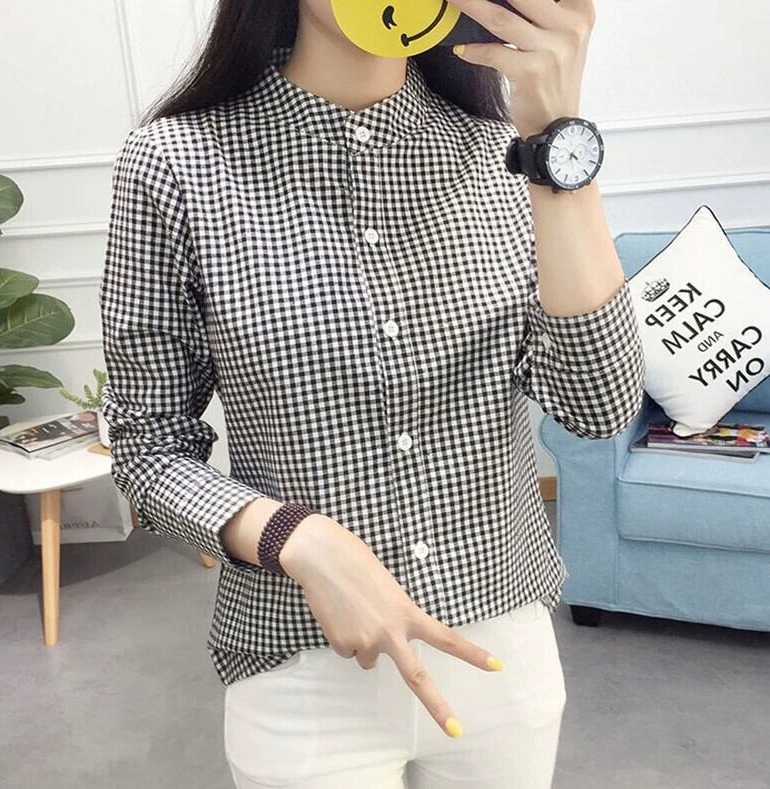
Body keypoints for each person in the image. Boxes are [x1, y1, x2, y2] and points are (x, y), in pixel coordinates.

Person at [99, 0, 645, 786]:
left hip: (500, 657)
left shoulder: (502, 151)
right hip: (299, 668)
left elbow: (597, 404)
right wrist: (298, 539)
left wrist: (555, 146)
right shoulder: (176, 162)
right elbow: (148, 448)